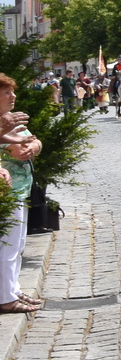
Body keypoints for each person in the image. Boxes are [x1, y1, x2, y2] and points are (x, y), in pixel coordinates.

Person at [0, 75, 44, 313]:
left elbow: (33, 142)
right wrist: (25, 144)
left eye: (12, 92)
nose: (13, 96)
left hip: (21, 188)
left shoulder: (9, 120)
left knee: (17, 245)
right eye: (7, 93)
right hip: (8, 192)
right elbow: (18, 150)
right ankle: (5, 298)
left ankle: (12, 289)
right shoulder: (4, 122)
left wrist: (34, 145)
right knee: (6, 246)